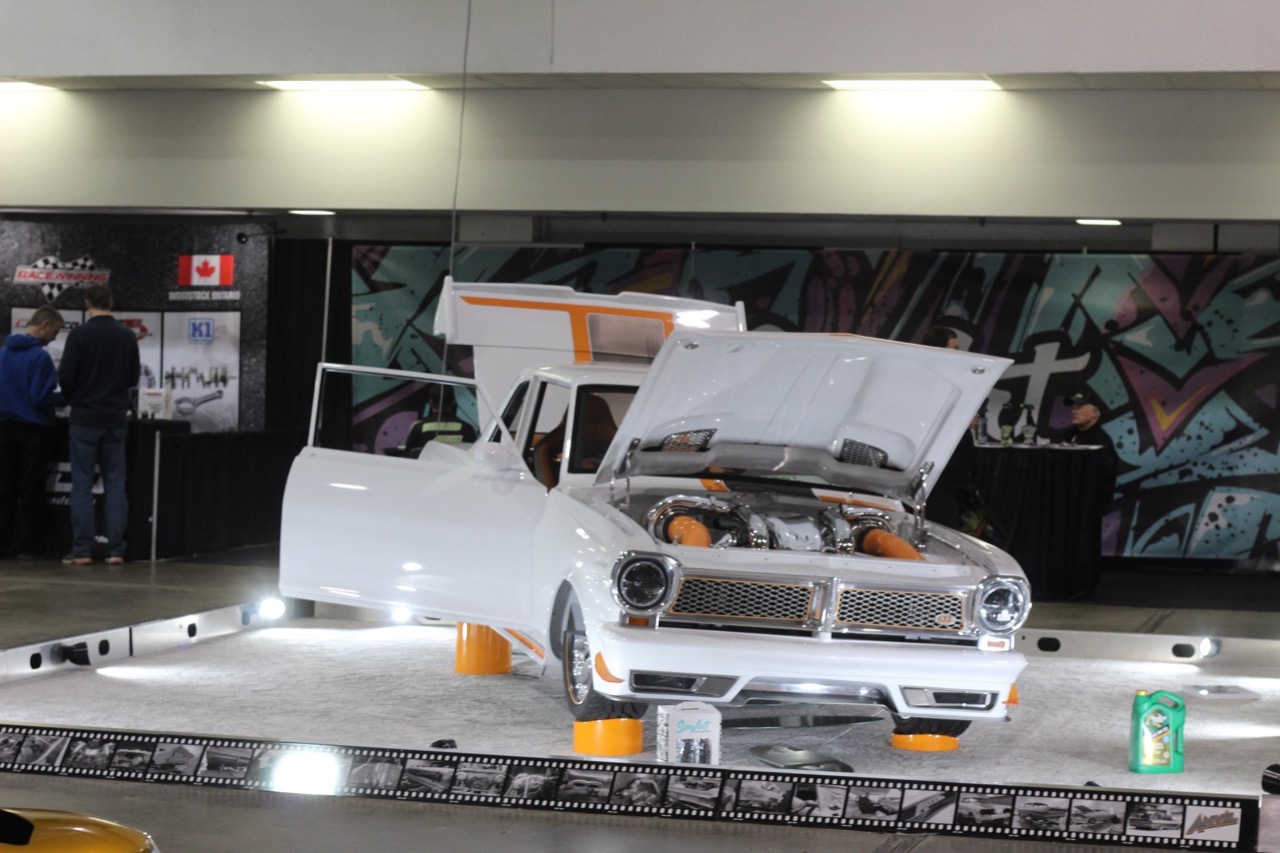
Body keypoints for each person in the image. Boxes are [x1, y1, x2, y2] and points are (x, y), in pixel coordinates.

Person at [57, 284, 141, 566]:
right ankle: (116, 550)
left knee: (82, 483)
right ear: (111, 302)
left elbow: (65, 376)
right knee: (115, 483)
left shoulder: (79, 335)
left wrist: (76, 398)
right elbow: (133, 377)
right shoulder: (127, 336)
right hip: (115, 419)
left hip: (84, 419)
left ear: (87, 303)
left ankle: (82, 550)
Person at [0, 307, 66, 559]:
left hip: (4, 428)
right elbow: (40, 397)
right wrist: (68, 396)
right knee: (31, 488)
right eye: (55, 331)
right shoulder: (40, 358)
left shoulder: (3, 354)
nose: (55, 337)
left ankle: (3, 543)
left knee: (4, 486)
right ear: (45, 325)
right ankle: (28, 546)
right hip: (33, 430)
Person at [1059, 389, 1119, 505]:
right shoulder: (1068, 435)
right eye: (1073, 407)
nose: (1073, 411)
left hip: (1087, 506)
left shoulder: (1102, 442)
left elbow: (1103, 482)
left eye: (1079, 407)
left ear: (1094, 412)